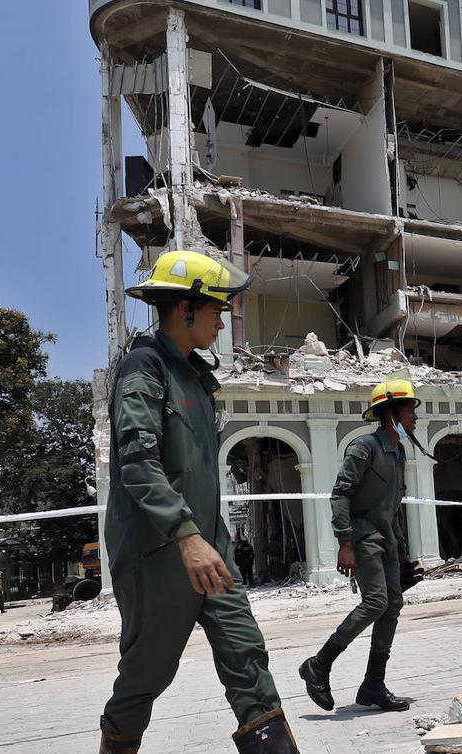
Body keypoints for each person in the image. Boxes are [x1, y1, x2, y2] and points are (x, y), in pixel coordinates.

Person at [99, 250, 296, 754]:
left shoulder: (196, 377)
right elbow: (138, 464)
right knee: (147, 673)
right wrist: (185, 536)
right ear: (185, 309)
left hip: (211, 549)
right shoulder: (144, 369)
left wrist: (208, 539)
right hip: (159, 553)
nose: (223, 320)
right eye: (216, 309)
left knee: (246, 656)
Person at [299, 378, 419, 714]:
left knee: (392, 605)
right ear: (391, 414)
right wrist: (345, 543)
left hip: (387, 540)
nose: (415, 419)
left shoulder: (398, 452)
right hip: (363, 537)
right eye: (410, 411)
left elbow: (393, 504)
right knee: (376, 602)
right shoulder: (364, 447)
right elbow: (340, 495)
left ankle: (373, 685)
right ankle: (319, 665)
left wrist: (402, 547)